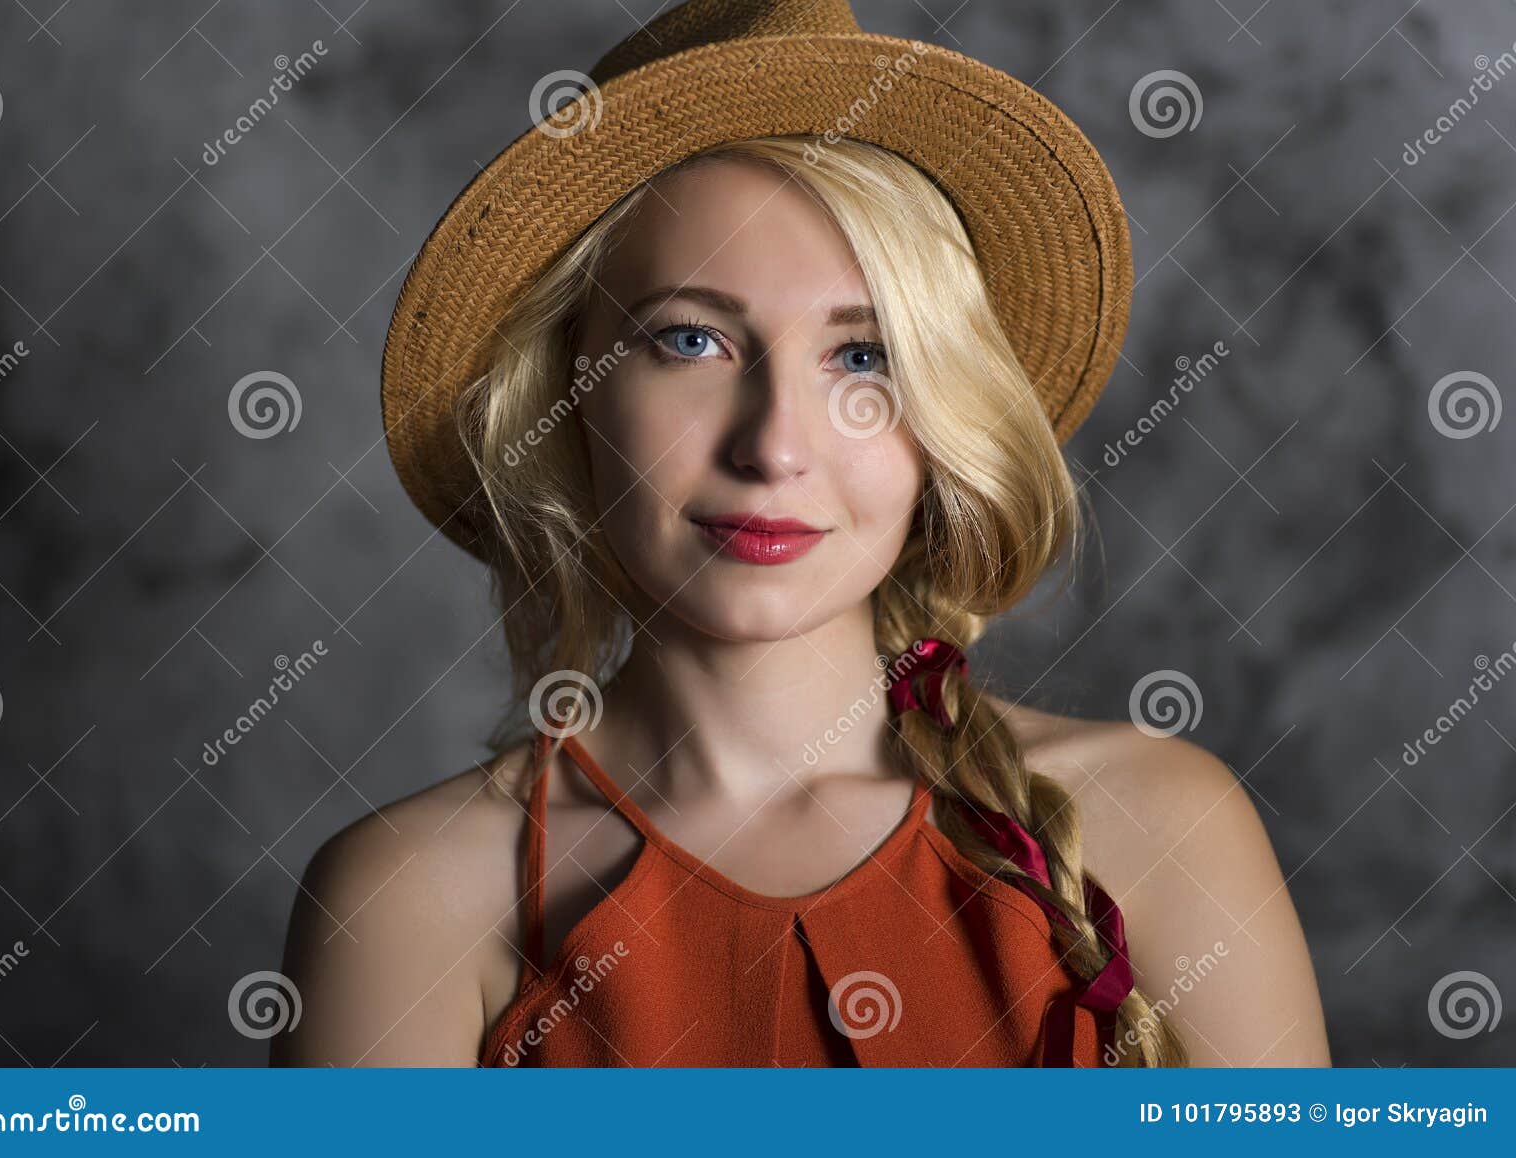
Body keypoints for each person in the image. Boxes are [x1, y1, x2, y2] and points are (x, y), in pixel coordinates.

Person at [272, 0, 1330, 1068]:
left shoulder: (1161, 827)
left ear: (942, 420)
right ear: (568, 390)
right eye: (690, 340)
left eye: (862, 358)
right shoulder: (410, 900)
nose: (774, 447)